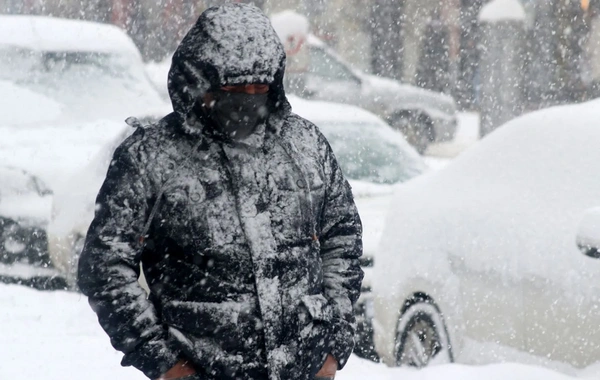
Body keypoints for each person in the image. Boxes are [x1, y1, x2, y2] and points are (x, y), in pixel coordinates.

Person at [77, 3, 363, 380]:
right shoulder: (152, 157)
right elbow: (105, 267)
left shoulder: (304, 144)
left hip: (303, 367)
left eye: (258, 88)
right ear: (199, 82)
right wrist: (163, 361)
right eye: (233, 89)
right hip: (202, 368)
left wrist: (333, 343)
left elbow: (342, 238)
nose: (247, 98)